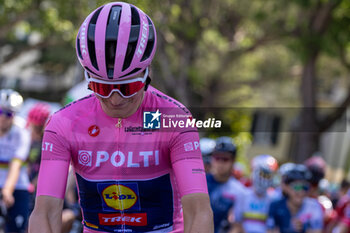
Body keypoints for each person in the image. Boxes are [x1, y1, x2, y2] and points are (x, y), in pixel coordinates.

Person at [28, 2, 213, 233]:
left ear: (147, 74)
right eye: (102, 88)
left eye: (129, 86)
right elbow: (45, 212)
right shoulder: (64, 123)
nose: (115, 99)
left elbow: (199, 212)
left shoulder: (172, 119)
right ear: (88, 78)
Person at [0, 89, 31, 233]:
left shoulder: (21, 134)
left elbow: (16, 164)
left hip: (17, 187)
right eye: (1, 112)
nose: (3, 117)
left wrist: (7, 190)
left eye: (9, 114)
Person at [267, 164, 323, 233]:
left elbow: (317, 231)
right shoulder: (275, 205)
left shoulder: (314, 206)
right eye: (297, 187)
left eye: (305, 187)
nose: (301, 192)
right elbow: (270, 230)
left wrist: (304, 228)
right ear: (286, 187)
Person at [206, 136, 246, 233]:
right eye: (217, 157)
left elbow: (237, 226)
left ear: (233, 161)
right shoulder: (200, 182)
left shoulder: (239, 191)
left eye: (225, 159)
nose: (220, 163)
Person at [232, 154, 278, 233]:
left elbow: (272, 227)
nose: (263, 179)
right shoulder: (243, 195)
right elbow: (237, 223)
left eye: (267, 176)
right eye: (261, 175)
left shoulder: (274, 198)